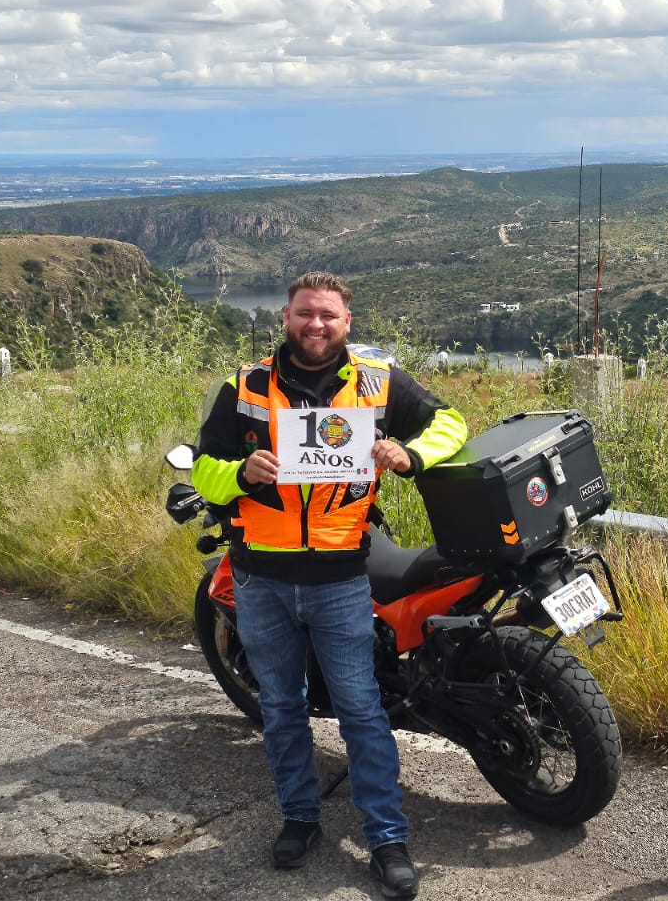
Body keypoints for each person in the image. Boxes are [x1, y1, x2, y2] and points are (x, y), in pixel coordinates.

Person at [190, 271, 467, 900]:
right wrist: (239, 472)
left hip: (341, 576)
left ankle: (387, 839)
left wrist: (411, 455)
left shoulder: (378, 382)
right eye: (305, 314)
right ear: (285, 317)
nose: (316, 325)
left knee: (362, 713)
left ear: (348, 322)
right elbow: (203, 466)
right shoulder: (245, 389)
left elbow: (450, 422)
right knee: (282, 708)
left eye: (329, 316)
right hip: (260, 575)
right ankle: (299, 819)